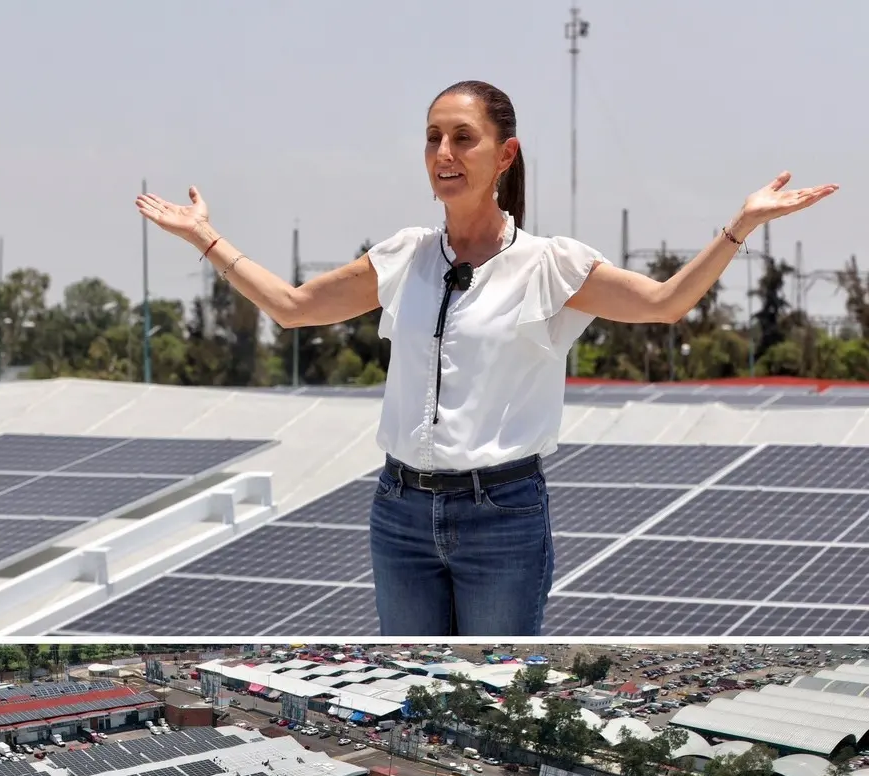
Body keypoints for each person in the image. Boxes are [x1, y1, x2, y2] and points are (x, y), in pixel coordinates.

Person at [136, 80, 837, 636]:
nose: (443, 152)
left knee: (492, 671)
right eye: (432, 138)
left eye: (462, 138)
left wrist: (740, 226)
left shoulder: (549, 265)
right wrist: (206, 238)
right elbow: (291, 307)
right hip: (399, 511)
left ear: (504, 155)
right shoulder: (404, 256)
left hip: (501, 517)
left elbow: (665, 303)